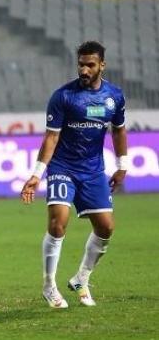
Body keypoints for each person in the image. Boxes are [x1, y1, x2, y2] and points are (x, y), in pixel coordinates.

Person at [21, 41, 128, 309]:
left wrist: (122, 165)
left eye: (90, 65)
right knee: (58, 222)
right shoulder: (63, 97)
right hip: (62, 167)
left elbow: (118, 130)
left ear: (102, 65)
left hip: (93, 170)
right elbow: (51, 137)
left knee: (106, 227)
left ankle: (81, 278)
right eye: (81, 64)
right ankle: (49, 286)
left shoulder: (114, 96)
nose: (84, 70)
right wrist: (36, 175)